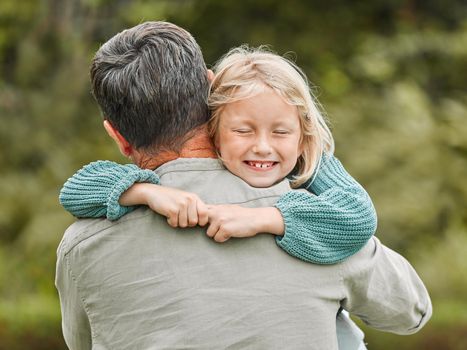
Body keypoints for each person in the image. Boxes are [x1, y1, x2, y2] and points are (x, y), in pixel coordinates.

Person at [55, 21, 431, 349]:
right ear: (211, 86)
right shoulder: (317, 222)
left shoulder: (81, 245)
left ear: (117, 136)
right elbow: (411, 310)